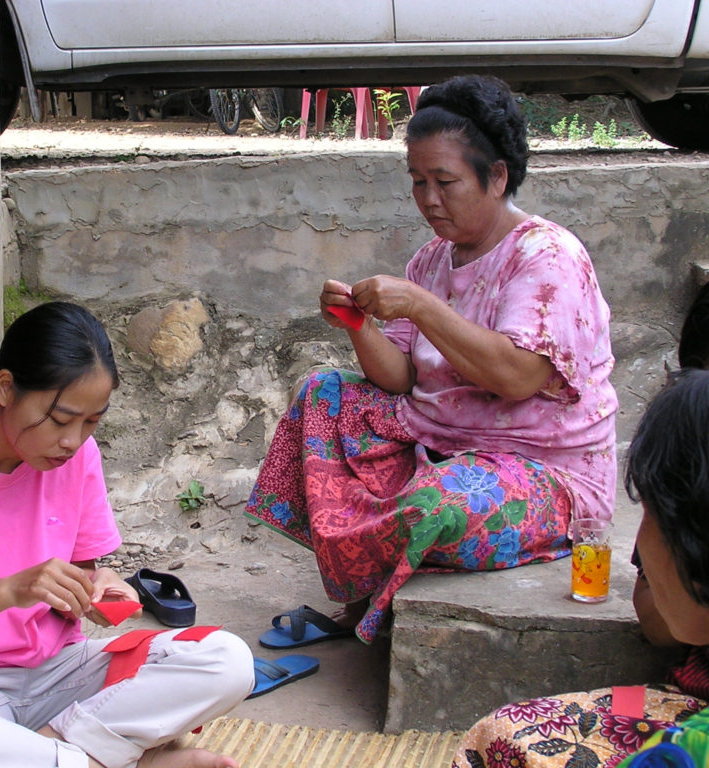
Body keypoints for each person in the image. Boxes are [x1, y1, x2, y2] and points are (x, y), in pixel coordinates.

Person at [245, 75, 618, 645]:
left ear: (496, 176)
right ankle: (364, 576)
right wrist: (358, 325)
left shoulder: (548, 257)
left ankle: (379, 573)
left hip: (543, 471)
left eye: (445, 181)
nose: (429, 199)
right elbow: (401, 377)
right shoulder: (431, 259)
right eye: (418, 181)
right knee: (323, 393)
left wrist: (420, 305)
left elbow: (518, 376)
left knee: (442, 503)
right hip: (437, 442)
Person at [0, 301, 254, 768]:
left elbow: (80, 572)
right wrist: (8, 591)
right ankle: (126, 759)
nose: (73, 441)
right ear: (6, 388)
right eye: (61, 420)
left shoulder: (77, 458)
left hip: (59, 674)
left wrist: (96, 589)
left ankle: (56, 748)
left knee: (225, 660)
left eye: (91, 422)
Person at [452, 367, 709, 768]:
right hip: (680, 696)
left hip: (683, 710)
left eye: (652, 511)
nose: (640, 537)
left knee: (502, 744)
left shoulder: (688, 752)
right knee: (503, 732)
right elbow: (662, 626)